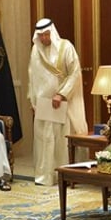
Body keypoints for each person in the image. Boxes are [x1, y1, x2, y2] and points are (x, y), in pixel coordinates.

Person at [27, 18, 87, 186]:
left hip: (61, 104)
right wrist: (32, 100)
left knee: (61, 140)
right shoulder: (35, 50)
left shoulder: (66, 47)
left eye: (47, 35)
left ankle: (66, 175)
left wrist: (61, 94)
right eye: (41, 36)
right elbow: (32, 77)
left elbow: (74, 73)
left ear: (52, 33)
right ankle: (45, 175)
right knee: (43, 139)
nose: (44, 39)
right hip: (43, 105)